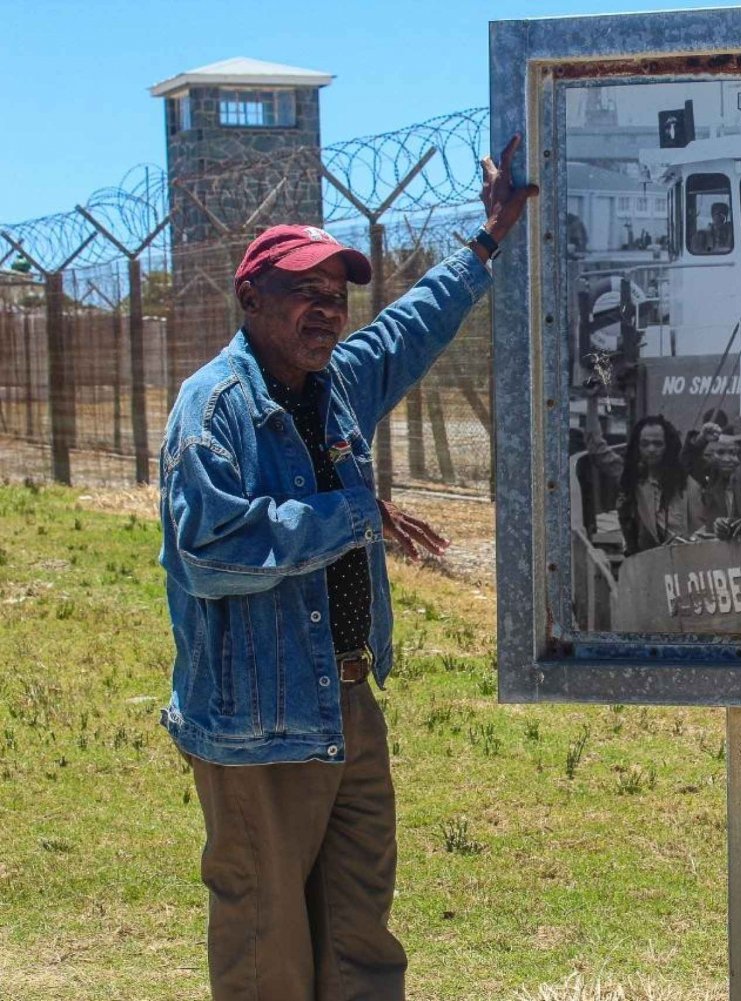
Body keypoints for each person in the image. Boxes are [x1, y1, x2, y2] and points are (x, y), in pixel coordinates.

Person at [157, 136, 535, 1000]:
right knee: (270, 948)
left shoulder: (337, 381)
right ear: (251, 297)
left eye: (335, 298)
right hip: (259, 723)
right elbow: (211, 552)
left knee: (362, 935)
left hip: (347, 700)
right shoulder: (214, 410)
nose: (327, 312)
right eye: (304, 294)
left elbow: (411, 325)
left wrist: (486, 242)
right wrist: (353, 515)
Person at [618, 415, 691, 553]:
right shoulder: (632, 480)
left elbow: (692, 456)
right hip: (649, 562)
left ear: (667, 446)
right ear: (637, 447)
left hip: (686, 559)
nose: (651, 449)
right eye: (645, 444)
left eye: (658, 444)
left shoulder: (684, 482)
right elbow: (598, 450)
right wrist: (592, 403)